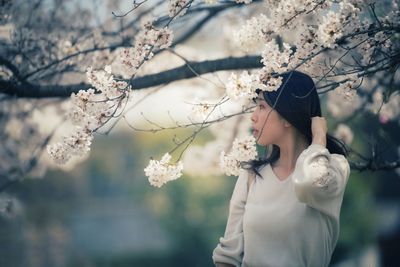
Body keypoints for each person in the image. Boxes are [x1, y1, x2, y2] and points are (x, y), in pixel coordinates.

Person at [212, 71, 351, 267]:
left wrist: (319, 139)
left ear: (288, 116)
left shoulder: (334, 168)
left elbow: (311, 184)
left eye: (261, 106)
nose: (253, 117)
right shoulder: (251, 176)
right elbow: (227, 258)